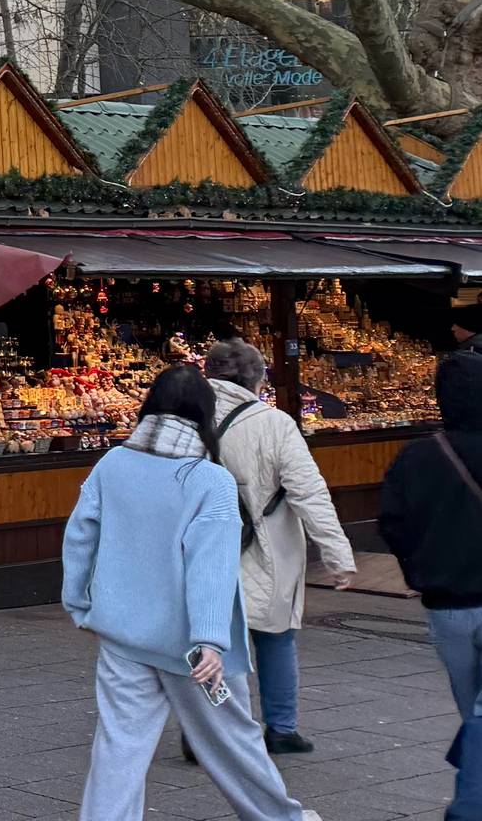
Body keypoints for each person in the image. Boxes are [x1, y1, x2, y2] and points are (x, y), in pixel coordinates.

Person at [65, 367, 311, 821]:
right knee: (234, 743)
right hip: (192, 648)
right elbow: (210, 567)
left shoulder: (113, 463)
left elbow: (80, 537)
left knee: (118, 749)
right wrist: (211, 639)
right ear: (205, 414)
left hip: (123, 635)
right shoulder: (209, 480)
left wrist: (81, 605)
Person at [199, 339, 355, 754]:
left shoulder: (185, 417)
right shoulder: (274, 424)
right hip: (267, 545)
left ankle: (207, 733)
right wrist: (337, 555)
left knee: (212, 638)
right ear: (257, 377)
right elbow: (309, 492)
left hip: (202, 547)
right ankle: (281, 728)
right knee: (276, 636)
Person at [380, 350, 482, 821]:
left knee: (472, 713)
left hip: (447, 605)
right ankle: (471, 802)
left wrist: (417, 569)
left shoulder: (418, 457)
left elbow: (393, 523)